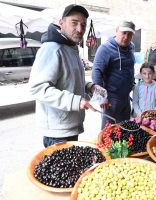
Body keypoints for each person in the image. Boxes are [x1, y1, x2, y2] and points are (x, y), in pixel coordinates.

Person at [28, 4, 107, 148]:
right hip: (57, 133)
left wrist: (90, 87)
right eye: (74, 23)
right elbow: (37, 88)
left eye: (83, 25)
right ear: (61, 23)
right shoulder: (52, 49)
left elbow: (69, 80)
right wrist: (75, 101)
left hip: (69, 126)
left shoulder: (71, 48)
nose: (80, 29)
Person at [92, 20, 136, 129]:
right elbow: (96, 73)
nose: (126, 37)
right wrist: (102, 96)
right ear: (117, 31)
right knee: (108, 132)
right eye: (124, 33)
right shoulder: (105, 48)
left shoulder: (131, 47)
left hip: (126, 98)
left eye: (130, 34)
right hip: (111, 100)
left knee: (125, 129)